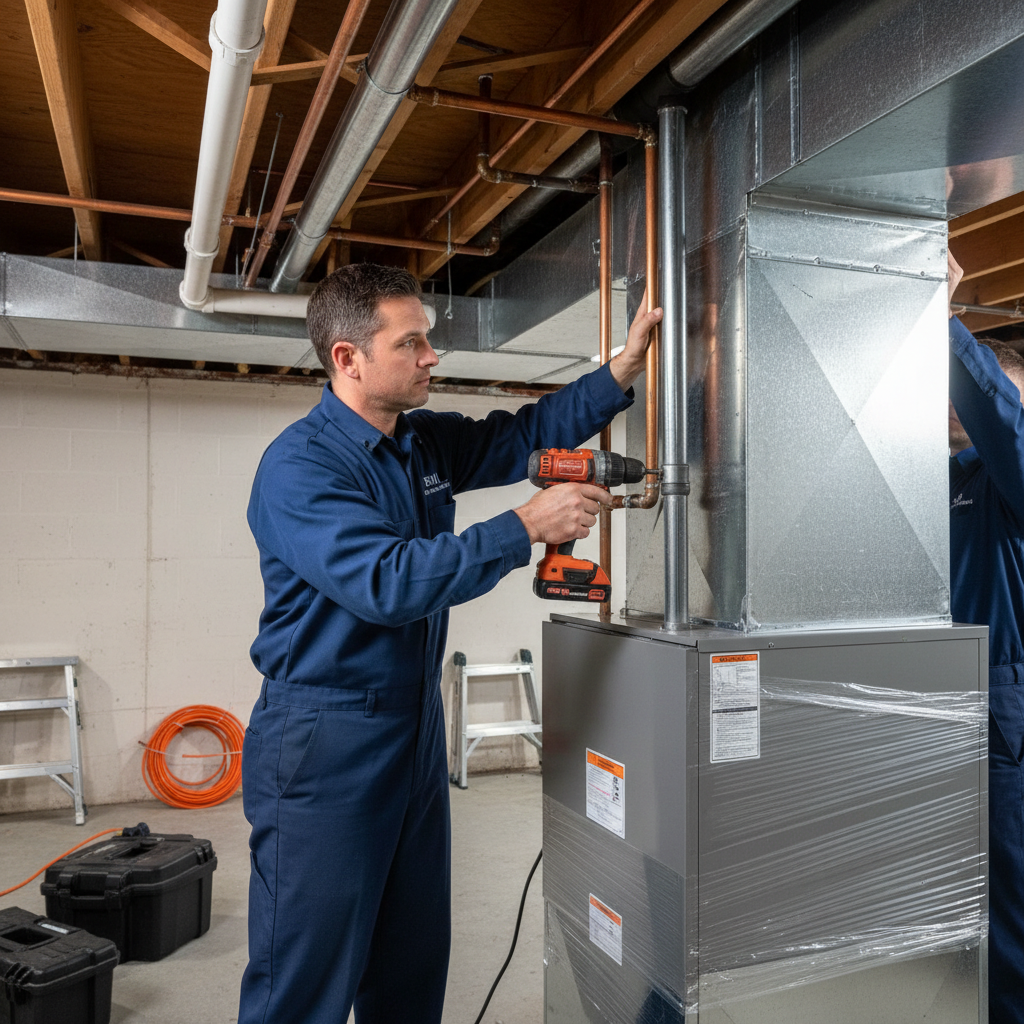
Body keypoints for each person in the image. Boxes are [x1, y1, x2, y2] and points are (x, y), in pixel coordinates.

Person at [238, 262, 662, 1024]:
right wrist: (527, 526)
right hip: (322, 736)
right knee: (305, 976)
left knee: (411, 958)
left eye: (428, 340)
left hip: (412, 725)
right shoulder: (299, 469)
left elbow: (522, 437)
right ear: (348, 358)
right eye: (412, 343)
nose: (432, 356)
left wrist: (618, 372)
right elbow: (388, 582)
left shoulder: (420, 442)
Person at [947, 251, 1024, 1024]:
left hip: (1006, 714)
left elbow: (1007, 430)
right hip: (948, 702)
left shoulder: (1015, 471)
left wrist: (943, 321)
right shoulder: (953, 478)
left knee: (1009, 916)